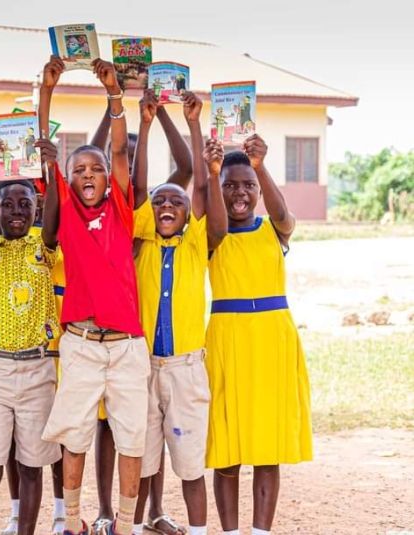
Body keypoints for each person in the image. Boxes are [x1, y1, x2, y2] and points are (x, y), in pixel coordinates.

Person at [38, 56, 148, 535]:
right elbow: (44, 151)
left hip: (125, 346)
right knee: (75, 437)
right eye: (78, 168)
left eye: (95, 169)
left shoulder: (122, 211)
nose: (87, 174)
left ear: (108, 178)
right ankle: (73, 520)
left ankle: (124, 524)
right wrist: (46, 90)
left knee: (132, 438)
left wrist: (115, 97)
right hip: (81, 344)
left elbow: (121, 153)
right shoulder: (65, 212)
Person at [88, 81, 194, 535]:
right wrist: (113, 109)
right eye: (120, 160)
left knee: (153, 430)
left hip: (147, 340)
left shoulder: (152, 212)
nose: (125, 168)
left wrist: (156, 116)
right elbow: (91, 156)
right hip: (109, 333)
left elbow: (183, 167)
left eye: (132, 161)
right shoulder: (97, 207)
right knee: (110, 429)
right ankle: (106, 510)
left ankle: (151, 510)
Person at [128, 91, 227, 535]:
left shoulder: (193, 246)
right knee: (144, 456)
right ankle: (136, 525)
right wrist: (145, 125)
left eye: (177, 203)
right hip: (143, 365)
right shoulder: (141, 242)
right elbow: (138, 184)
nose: (167, 206)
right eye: (160, 202)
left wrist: (194, 127)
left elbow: (203, 191)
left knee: (189, 463)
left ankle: (200, 529)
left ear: (190, 217)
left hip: (187, 369)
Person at [206, 135, 312, 535]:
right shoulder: (212, 235)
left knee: (267, 446)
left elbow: (284, 215)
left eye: (247, 185)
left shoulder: (275, 229)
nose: (240, 193)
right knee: (227, 446)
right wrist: (212, 172)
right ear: (218, 190)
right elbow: (213, 221)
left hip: (271, 339)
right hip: (227, 340)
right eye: (230, 185)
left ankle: (261, 531)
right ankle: (231, 532)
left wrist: (260, 165)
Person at [0, 165, 63, 535]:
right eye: (8, 205)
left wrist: (51, 170)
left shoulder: (44, 249)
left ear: (36, 210)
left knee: (30, 466)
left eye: (25, 204)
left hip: (37, 370)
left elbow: (54, 219)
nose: (17, 212)